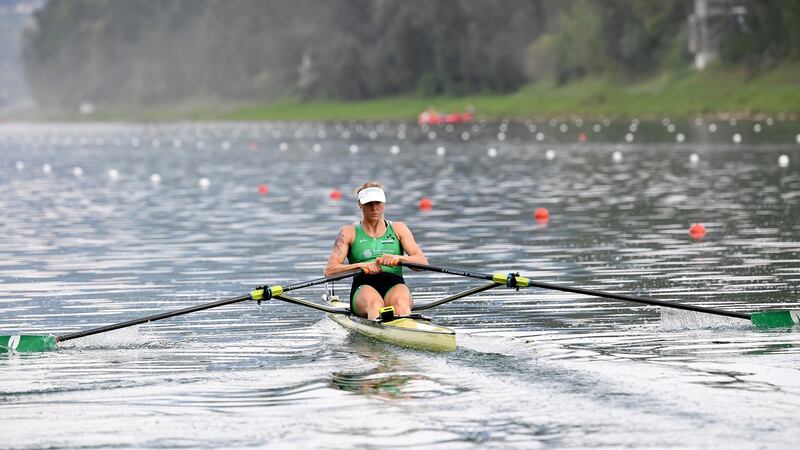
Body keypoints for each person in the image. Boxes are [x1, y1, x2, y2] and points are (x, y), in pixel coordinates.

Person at [324, 182, 428, 320]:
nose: (374, 208)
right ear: (360, 204)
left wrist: (399, 259)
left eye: (378, 203)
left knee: (401, 304)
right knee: (375, 305)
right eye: (368, 203)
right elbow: (330, 271)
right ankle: (380, 330)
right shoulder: (348, 232)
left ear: (384, 203)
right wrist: (360, 265)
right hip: (364, 286)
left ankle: (409, 333)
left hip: (395, 284)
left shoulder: (399, 228)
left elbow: (422, 263)